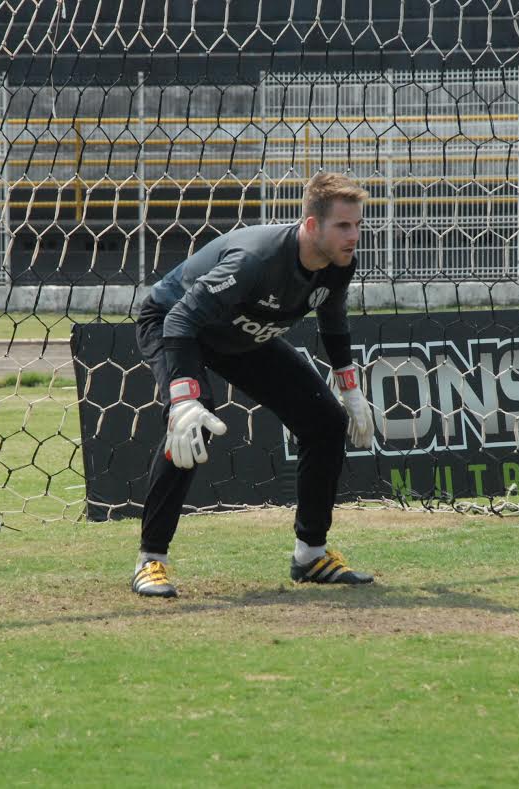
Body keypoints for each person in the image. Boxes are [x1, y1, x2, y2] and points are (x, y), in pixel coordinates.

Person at [131, 171, 377, 598]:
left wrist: (349, 387)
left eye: (357, 225)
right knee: (191, 423)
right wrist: (183, 398)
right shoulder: (256, 260)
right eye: (343, 225)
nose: (353, 236)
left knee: (326, 422)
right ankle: (150, 560)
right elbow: (181, 319)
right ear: (312, 225)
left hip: (238, 336)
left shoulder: (340, 262)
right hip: (174, 324)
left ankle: (311, 555)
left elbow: (333, 319)